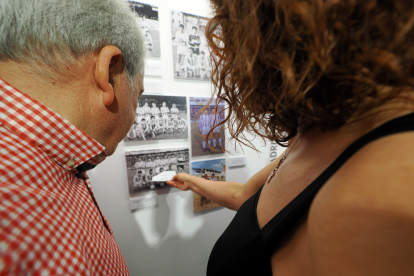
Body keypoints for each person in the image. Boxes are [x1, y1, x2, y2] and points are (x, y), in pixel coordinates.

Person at [167, 0, 414, 275]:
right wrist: (190, 181)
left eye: (233, 29)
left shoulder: (379, 196)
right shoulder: (313, 134)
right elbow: (245, 196)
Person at [0, 0, 145, 274]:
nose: (134, 114)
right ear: (108, 72)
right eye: (138, 93)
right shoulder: (12, 205)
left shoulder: (58, 160)